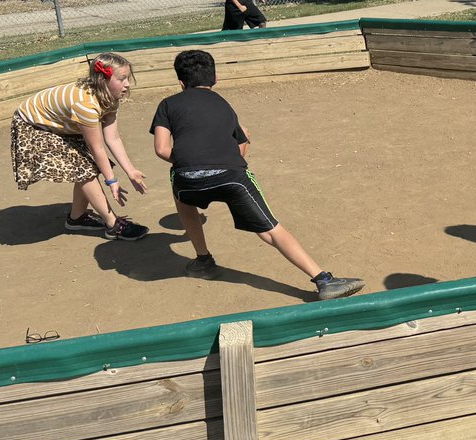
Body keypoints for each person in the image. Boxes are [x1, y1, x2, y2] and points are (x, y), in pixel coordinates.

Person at [150, 49, 365, 300]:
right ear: (215, 79)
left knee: (181, 193)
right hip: (231, 174)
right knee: (269, 229)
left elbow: (162, 149)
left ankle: (203, 260)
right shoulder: (224, 105)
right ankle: (324, 280)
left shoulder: (168, 104)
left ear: (180, 82)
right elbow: (242, 144)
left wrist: (192, 161)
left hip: (188, 177)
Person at [11, 52, 149, 241]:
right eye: (122, 79)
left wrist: (130, 170)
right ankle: (112, 224)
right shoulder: (86, 104)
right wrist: (112, 181)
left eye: (128, 78)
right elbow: (97, 147)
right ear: (103, 80)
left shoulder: (111, 96)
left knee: (84, 167)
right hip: (34, 124)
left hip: (61, 123)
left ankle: (77, 218)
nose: (127, 84)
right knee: (84, 168)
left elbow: (113, 138)